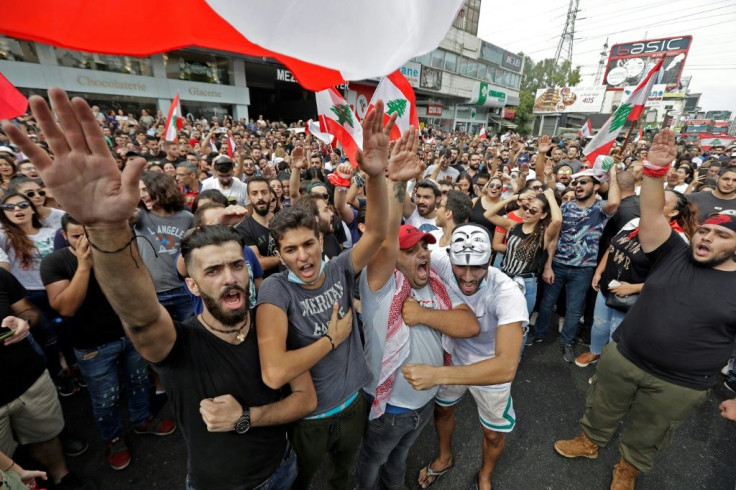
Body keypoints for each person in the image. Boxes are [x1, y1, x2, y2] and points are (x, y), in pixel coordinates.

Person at [6, 87, 316, 490]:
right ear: (191, 283)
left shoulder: (272, 322)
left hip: (284, 468)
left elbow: (305, 399)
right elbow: (139, 312)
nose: (230, 278)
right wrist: (106, 229)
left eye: (237, 265)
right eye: (214, 271)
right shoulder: (177, 344)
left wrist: (246, 417)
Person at [553, 129, 736, 489]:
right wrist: (654, 170)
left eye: (721, 236)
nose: (706, 238)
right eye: (705, 232)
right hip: (625, 356)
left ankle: (628, 468)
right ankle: (589, 442)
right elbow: (650, 212)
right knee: (601, 406)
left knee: (650, 430)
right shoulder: (673, 253)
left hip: (680, 383)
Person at [255, 102, 394, 490]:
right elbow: (275, 371)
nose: (303, 256)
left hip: (354, 404)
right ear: (280, 255)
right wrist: (331, 339)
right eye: (290, 250)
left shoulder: (337, 267)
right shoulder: (275, 290)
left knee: (342, 477)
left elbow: (379, 234)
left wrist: (378, 177)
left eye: (309, 243)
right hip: (312, 417)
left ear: (321, 241)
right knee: (303, 479)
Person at [356, 133, 480, 490]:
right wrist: (396, 183)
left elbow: (468, 324)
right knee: (372, 460)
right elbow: (386, 237)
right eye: (410, 251)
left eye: (423, 247)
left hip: (424, 406)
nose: (422, 254)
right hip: (390, 409)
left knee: (399, 460)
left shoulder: (438, 286)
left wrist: (423, 314)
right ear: (394, 258)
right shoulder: (381, 286)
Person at [41, 214, 177, 470]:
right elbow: (66, 308)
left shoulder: (113, 253)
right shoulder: (55, 262)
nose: (85, 241)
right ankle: (113, 438)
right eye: (77, 236)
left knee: (139, 382)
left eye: (88, 235)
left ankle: (142, 420)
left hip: (129, 334)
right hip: (93, 346)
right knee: (106, 397)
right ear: (64, 237)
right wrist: (83, 265)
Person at [401, 224, 528, 490]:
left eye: (478, 268)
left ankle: (484, 474)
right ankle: (445, 457)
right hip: (454, 355)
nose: (468, 277)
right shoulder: (440, 260)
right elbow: (402, 250)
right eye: (461, 267)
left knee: (493, 435)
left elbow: (506, 367)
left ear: (490, 260)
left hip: (490, 368)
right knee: (444, 409)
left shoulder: (506, 293)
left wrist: (436, 374)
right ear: (449, 258)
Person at [574, 190, 698, 368]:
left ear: (673, 212)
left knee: (616, 335)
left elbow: (673, 279)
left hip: (631, 297)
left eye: (661, 201)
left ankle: (607, 369)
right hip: (607, 285)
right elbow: (613, 247)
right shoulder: (635, 222)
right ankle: (595, 351)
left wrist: (633, 288)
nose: (652, 202)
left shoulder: (677, 240)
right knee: (600, 325)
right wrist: (599, 271)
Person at [0, 267, 94, 490]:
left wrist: (24, 323)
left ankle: (61, 476)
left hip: (30, 379)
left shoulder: (1, 276)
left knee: (46, 435)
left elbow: (29, 312)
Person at [529, 166, 620, 362]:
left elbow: (614, 203)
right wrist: (548, 265)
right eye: (576, 182)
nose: (578, 185)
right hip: (558, 265)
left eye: (583, 182)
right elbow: (553, 239)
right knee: (546, 304)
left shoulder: (600, 209)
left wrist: (612, 173)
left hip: (584, 270)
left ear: (596, 186)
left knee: (574, 309)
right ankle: (538, 334)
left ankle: (567, 342)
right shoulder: (565, 208)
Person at [483, 188, 562, 318]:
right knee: (496, 318)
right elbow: (488, 215)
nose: (527, 212)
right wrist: (515, 197)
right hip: (505, 278)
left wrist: (551, 196)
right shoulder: (513, 225)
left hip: (527, 283)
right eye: (526, 208)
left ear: (542, 215)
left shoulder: (545, 235)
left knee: (520, 325)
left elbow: (557, 221)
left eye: (533, 210)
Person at [136, 172, 194, 322]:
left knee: (188, 337)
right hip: (152, 294)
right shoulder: (139, 216)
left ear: (161, 188)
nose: (142, 195)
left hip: (184, 290)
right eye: (139, 190)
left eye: (145, 189)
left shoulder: (187, 217)